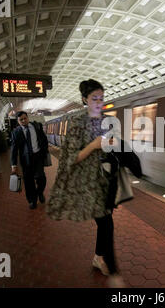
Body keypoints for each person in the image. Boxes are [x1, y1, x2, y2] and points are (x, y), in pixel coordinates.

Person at [47, 79, 125, 288]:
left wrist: (112, 144)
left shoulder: (108, 121)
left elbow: (114, 146)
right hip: (87, 182)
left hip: (106, 180)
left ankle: (99, 257)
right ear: (84, 99)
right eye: (94, 98)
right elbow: (69, 158)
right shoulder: (76, 123)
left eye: (101, 98)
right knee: (106, 222)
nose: (99, 102)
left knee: (106, 222)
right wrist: (93, 145)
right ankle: (107, 265)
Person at [10, 111, 48, 209]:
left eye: (24, 118)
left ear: (28, 117)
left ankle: (39, 192)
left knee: (41, 178)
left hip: (38, 156)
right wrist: (13, 165)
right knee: (28, 181)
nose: (23, 120)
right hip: (26, 160)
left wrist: (45, 152)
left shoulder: (37, 126)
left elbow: (44, 139)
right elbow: (14, 150)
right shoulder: (16, 132)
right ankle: (32, 200)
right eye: (21, 120)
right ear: (18, 121)